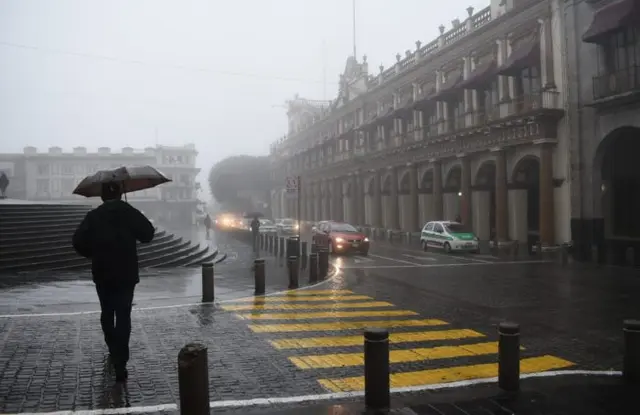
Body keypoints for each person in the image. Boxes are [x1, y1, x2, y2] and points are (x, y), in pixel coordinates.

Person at [72, 181, 155, 382]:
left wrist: (93, 253)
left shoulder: (94, 216)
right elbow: (148, 234)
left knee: (107, 312)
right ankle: (121, 360)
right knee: (124, 314)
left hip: (103, 271)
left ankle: (112, 347)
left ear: (102, 197)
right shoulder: (129, 212)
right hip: (126, 272)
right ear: (120, 194)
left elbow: (78, 241)